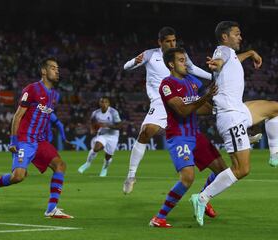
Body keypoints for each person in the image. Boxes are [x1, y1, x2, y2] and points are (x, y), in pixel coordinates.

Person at [190, 21, 278, 226]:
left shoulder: (231, 54)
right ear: (225, 37)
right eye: (237, 34)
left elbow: (233, 58)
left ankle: (275, 153)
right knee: (242, 169)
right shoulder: (222, 50)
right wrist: (215, 64)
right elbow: (220, 60)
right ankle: (202, 198)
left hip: (239, 109)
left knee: (274, 108)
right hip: (230, 116)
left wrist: (251, 53)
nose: (240, 37)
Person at [0, 57, 73, 219]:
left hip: (40, 140)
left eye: (57, 68)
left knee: (60, 165)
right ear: (44, 71)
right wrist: (13, 140)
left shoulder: (54, 95)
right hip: (25, 139)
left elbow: (46, 113)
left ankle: (51, 209)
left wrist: (59, 125)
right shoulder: (32, 89)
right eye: (52, 67)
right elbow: (17, 116)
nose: (57, 70)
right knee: (18, 177)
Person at [122, 26, 213, 194]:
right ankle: (131, 175)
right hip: (159, 101)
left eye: (174, 40)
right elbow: (126, 67)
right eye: (168, 41)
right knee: (146, 132)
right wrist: (134, 62)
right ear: (160, 42)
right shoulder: (150, 55)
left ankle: (239, 131)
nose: (172, 44)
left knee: (210, 110)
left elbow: (192, 69)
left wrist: (213, 75)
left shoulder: (180, 55)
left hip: (179, 97)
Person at [149, 47, 229, 228]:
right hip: (179, 137)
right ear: (171, 64)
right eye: (181, 60)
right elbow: (182, 110)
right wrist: (205, 97)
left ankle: (203, 197)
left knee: (222, 171)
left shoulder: (193, 82)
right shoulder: (167, 85)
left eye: (185, 59)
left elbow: (205, 108)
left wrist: (212, 99)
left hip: (196, 135)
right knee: (187, 178)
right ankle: (159, 218)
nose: (186, 63)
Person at [78, 97, 122, 177]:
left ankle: (104, 168)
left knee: (108, 156)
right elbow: (92, 122)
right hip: (102, 134)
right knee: (96, 148)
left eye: (106, 102)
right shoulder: (95, 113)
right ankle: (87, 163)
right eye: (102, 102)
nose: (104, 104)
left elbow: (119, 126)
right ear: (99, 103)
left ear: (108, 103)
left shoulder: (113, 112)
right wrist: (92, 129)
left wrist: (108, 126)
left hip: (113, 136)